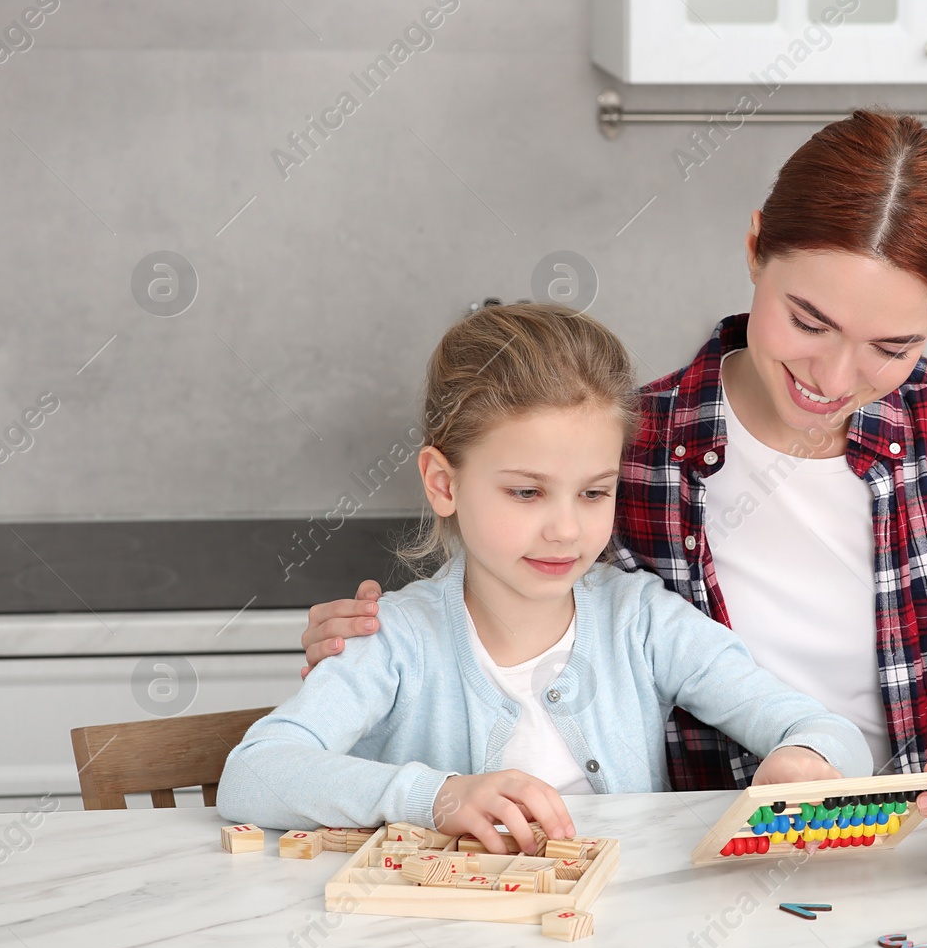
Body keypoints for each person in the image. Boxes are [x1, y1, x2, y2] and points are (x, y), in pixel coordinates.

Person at [301, 108, 927, 838]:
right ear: (755, 249)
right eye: (808, 320)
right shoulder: (628, 454)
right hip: (723, 891)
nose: (835, 378)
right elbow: (498, 630)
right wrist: (379, 659)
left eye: (893, 346)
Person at [218, 304, 871, 854]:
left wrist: (805, 759)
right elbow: (252, 773)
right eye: (527, 492)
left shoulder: (640, 619)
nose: (566, 529)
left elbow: (826, 730)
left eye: (593, 493)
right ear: (443, 483)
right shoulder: (394, 639)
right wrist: (438, 796)